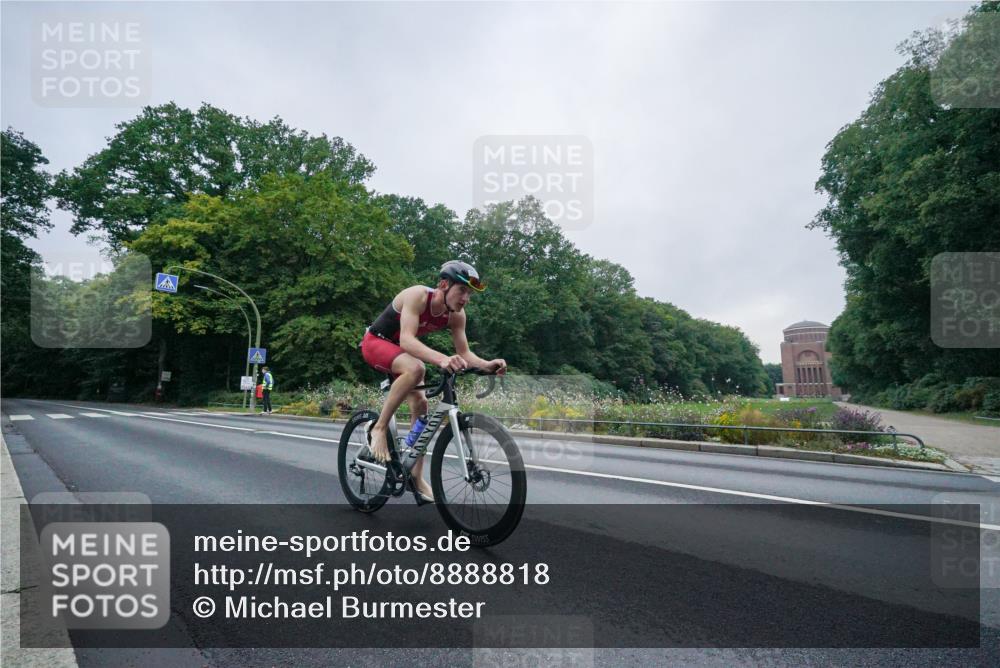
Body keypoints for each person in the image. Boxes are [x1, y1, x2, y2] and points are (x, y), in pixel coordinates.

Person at [360, 261, 506, 503]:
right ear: (444, 284)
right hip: (376, 343)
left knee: (421, 404)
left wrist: (486, 364)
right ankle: (379, 427)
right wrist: (442, 359)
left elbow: (465, 353)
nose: (466, 299)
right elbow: (407, 340)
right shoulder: (417, 296)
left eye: (469, 294)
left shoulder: (457, 315)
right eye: (462, 290)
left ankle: (416, 477)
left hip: (400, 353)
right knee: (416, 368)